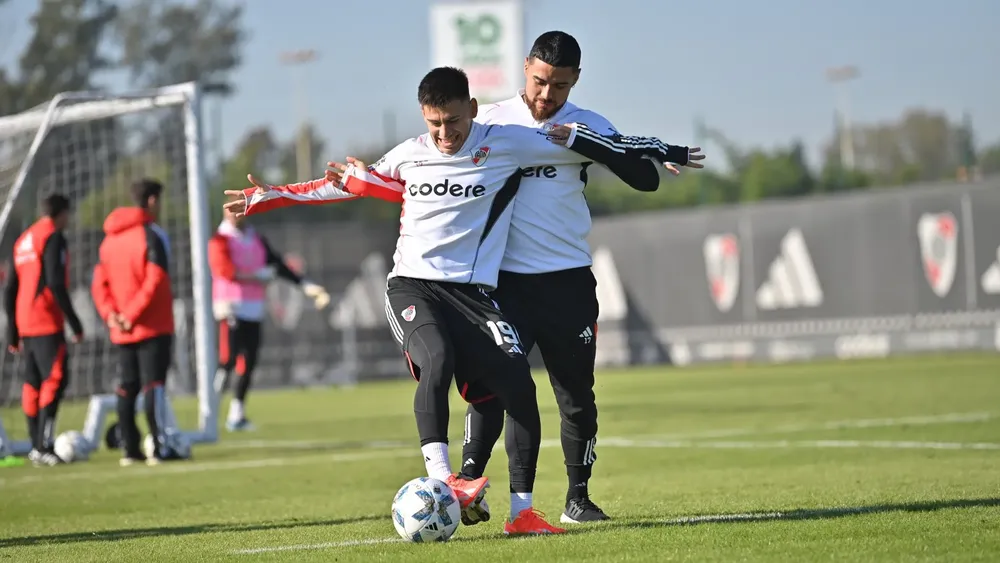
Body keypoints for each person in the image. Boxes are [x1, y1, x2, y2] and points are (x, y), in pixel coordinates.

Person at [225, 66, 690, 535]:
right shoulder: (409, 153)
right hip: (411, 285)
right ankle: (444, 480)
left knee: (520, 390)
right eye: (434, 124)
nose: (444, 134)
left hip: (473, 295)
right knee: (439, 359)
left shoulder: (508, 141)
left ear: (471, 110)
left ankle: (522, 513)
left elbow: (589, 144)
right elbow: (345, 183)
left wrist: (658, 149)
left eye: (453, 121)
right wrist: (272, 195)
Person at [457, 30, 704, 526]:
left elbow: (646, 178)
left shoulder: (585, 125)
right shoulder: (489, 122)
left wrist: (585, 142)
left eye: (561, 87)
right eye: (540, 82)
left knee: (576, 395)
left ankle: (578, 498)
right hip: (501, 283)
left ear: (576, 82)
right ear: (526, 67)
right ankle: (467, 485)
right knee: (492, 386)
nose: (548, 96)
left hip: (567, 283)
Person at [209, 204, 330, 431]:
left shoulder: (255, 238)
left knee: (249, 361)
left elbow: (277, 265)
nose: (236, 215)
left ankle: (237, 414)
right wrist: (256, 275)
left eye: (239, 210)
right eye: (231, 211)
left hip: (253, 308)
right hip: (231, 306)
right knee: (228, 359)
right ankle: (210, 408)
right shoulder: (220, 240)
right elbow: (225, 271)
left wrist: (305, 285)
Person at [91, 178, 180, 466]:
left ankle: (130, 450)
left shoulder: (109, 240)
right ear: (152, 200)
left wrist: (112, 315)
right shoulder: (151, 235)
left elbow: (98, 284)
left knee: (127, 386)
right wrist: (131, 315)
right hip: (151, 325)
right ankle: (159, 446)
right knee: (154, 385)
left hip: (121, 328)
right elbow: (156, 278)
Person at [3, 194, 85, 466]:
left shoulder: (24, 239)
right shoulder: (53, 236)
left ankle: (35, 445)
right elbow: (55, 282)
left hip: (25, 322)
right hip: (46, 320)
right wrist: (75, 322)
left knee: (33, 383)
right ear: (61, 213)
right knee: (55, 380)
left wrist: (12, 330)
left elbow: (10, 288)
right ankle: (44, 444)